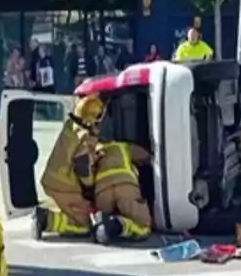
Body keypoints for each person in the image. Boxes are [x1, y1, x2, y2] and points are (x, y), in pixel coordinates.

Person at [32, 95, 105, 239]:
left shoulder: (70, 127)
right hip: (64, 183)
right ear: (90, 119)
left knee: (70, 211)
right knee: (83, 225)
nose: (98, 125)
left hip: (53, 178)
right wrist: (90, 186)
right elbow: (82, 163)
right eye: (97, 119)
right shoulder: (84, 136)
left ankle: (47, 216)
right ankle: (45, 220)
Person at [90, 140, 154, 243]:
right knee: (143, 227)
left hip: (102, 191)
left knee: (103, 216)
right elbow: (146, 156)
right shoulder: (123, 146)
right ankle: (118, 224)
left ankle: (103, 228)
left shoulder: (95, 150)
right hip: (125, 185)